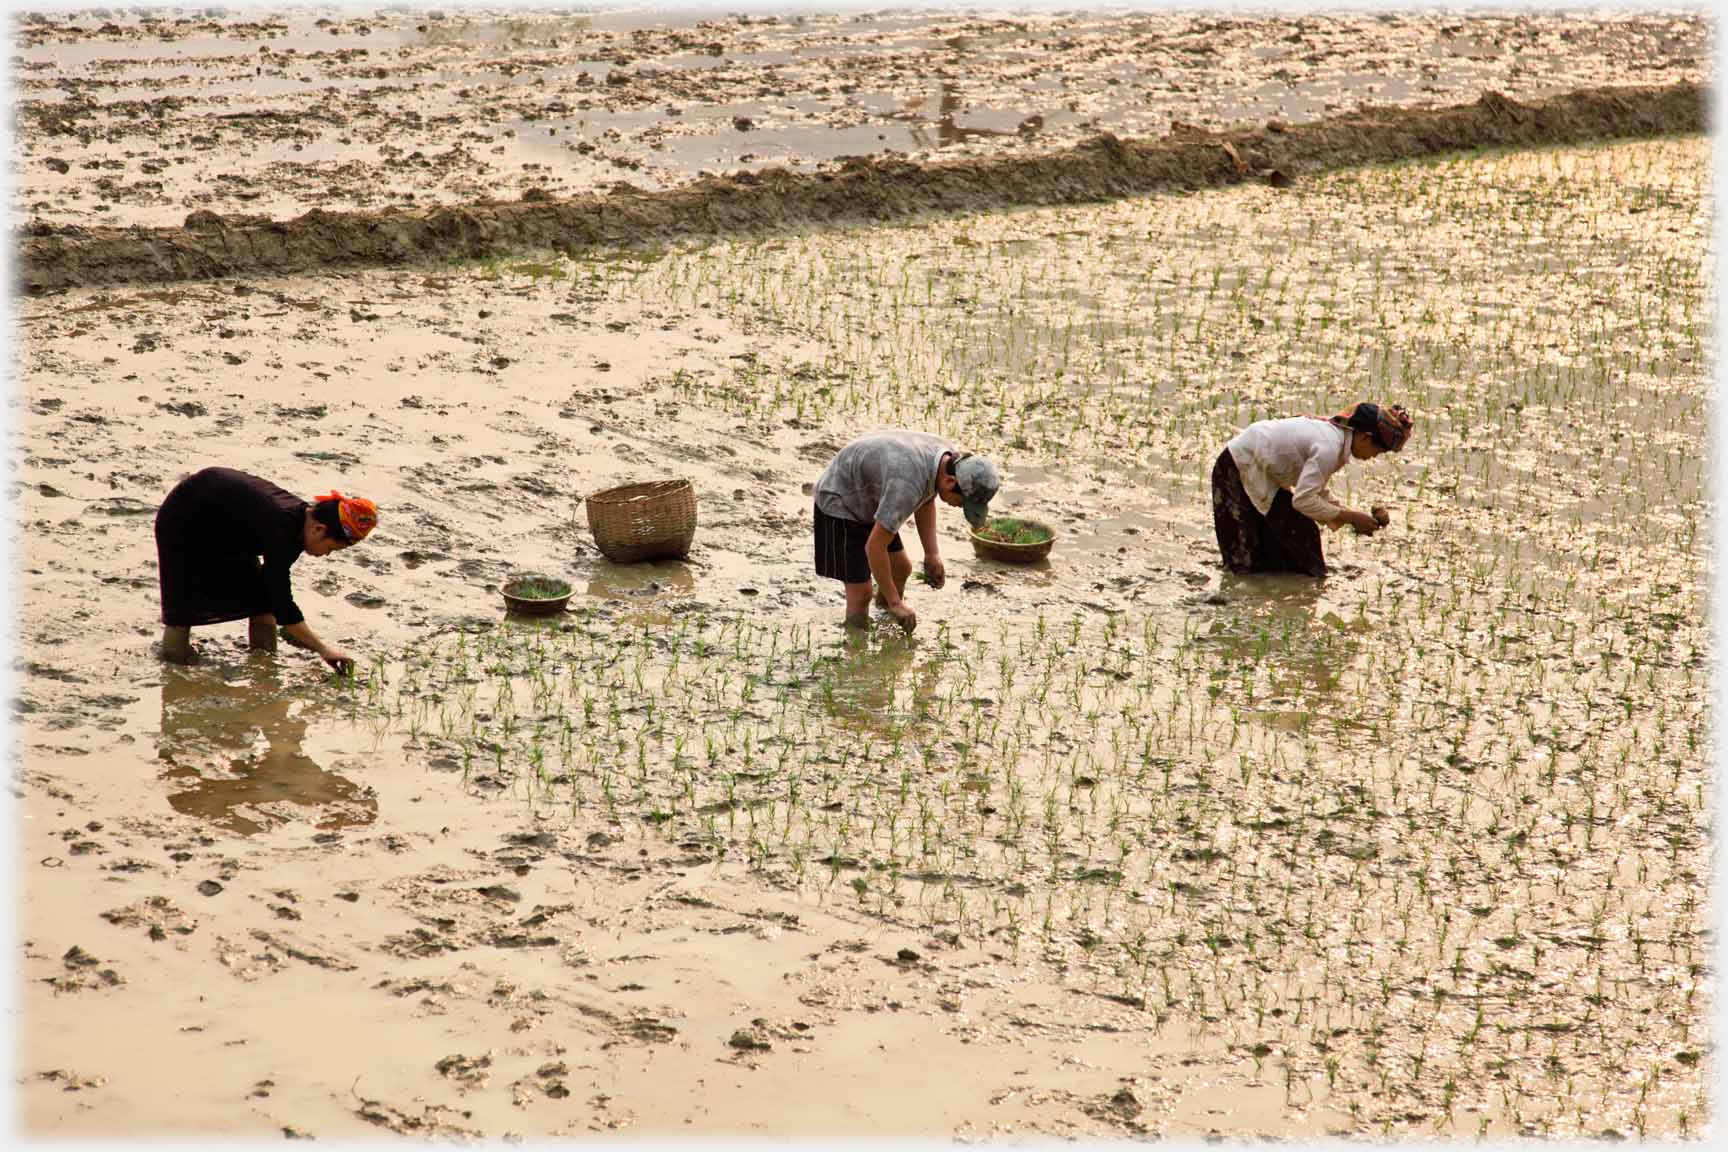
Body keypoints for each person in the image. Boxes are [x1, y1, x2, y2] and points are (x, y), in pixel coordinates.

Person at [153, 467, 377, 670]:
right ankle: (174, 666)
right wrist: (323, 649)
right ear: (319, 529)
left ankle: (264, 668)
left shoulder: (299, 525)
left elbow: (274, 597)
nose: (326, 554)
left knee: (262, 604)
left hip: (230, 528)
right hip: (184, 520)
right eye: (330, 548)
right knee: (182, 611)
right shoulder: (282, 528)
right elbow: (282, 602)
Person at [813, 430, 1000, 632]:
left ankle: (885, 618)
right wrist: (896, 602)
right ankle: (855, 645)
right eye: (962, 502)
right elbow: (874, 547)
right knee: (861, 592)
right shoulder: (907, 485)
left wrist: (932, 554)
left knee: (901, 568)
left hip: (874, 496)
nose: (959, 507)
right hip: (841, 500)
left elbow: (926, 498)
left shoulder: (949, 462)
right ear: (950, 482)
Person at [1212, 402, 1413, 577]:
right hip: (1237, 467)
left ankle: (1287, 586)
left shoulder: (1336, 440)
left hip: (1264, 472)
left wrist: (1353, 517)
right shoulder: (1329, 446)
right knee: (1244, 558)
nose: (1374, 457)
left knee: (1300, 537)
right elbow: (1303, 500)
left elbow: (1313, 490)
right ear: (1365, 438)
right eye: (1377, 451)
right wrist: (1350, 517)